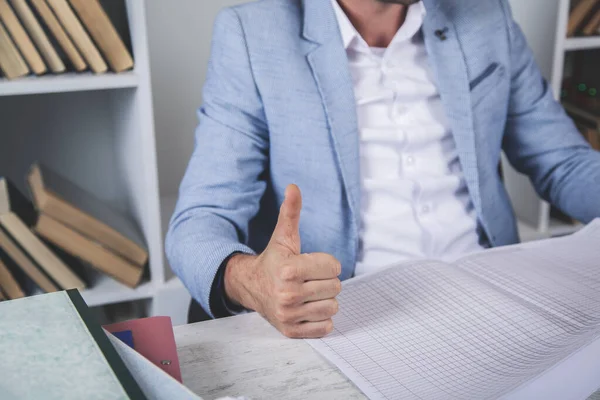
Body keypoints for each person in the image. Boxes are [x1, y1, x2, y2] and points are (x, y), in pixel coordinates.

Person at [166, 0, 600, 338]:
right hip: (349, 315)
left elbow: (562, 161)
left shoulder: (487, 14)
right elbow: (199, 221)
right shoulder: (251, 34)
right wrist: (252, 280)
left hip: (494, 297)